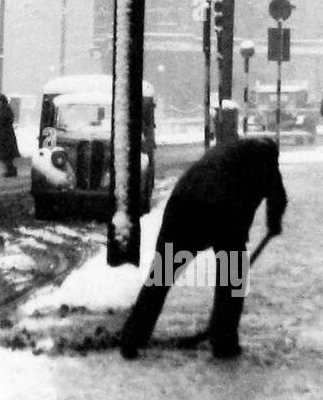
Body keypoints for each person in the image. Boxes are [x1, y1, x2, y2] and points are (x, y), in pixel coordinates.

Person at [119, 136, 287, 360]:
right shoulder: (265, 156)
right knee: (232, 280)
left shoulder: (225, 149)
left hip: (181, 205)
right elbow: (277, 195)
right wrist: (274, 223)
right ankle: (223, 341)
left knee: (161, 276)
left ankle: (132, 338)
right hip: (223, 212)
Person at [0, 94, 20, 177]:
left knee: (6, 154)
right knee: (4, 154)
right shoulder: (2, 109)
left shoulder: (5, 109)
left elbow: (5, 120)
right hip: (3, 134)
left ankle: (11, 170)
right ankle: (11, 170)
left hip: (6, 135)